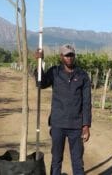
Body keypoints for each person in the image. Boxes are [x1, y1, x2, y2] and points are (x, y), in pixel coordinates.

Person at [35, 44, 92, 175]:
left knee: (77, 161)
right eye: (66, 55)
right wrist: (39, 62)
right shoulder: (54, 72)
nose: (69, 58)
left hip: (76, 126)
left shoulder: (83, 76)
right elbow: (41, 84)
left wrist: (86, 125)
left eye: (71, 55)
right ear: (61, 57)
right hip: (58, 124)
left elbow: (86, 102)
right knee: (56, 160)